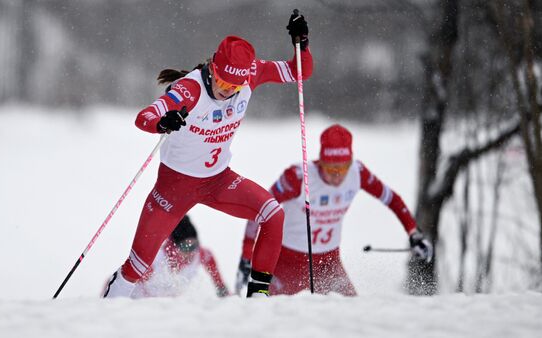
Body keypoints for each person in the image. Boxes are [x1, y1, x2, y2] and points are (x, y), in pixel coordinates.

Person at [103, 11, 313, 298]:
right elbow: (145, 116)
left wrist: (302, 45)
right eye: (224, 84)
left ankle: (258, 297)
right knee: (135, 269)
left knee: (273, 214)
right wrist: (162, 122)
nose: (228, 92)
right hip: (173, 189)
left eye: (235, 87)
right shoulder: (189, 89)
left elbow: (298, 71)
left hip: (218, 181)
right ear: (213, 69)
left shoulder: (250, 74)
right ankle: (104, 312)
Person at [234, 124, 433, 296]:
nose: (337, 177)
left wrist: (413, 233)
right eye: (331, 170)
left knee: (348, 318)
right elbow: (258, 210)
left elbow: (392, 199)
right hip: (287, 264)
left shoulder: (358, 173)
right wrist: (247, 255)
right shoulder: (297, 177)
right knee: (284, 322)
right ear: (320, 162)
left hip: (328, 263)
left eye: (343, 169)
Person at [125, 215, 230, 298]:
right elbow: (126, 283)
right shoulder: (156, 260)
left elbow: (220, 286)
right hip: (142, 303)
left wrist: (225, 294)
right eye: (185, 247)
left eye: (194, 245)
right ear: (173, 246)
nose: (191, 252)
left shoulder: (203, 255)